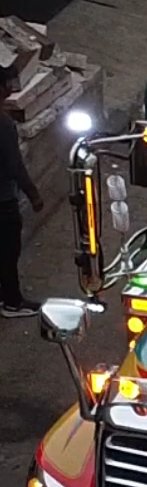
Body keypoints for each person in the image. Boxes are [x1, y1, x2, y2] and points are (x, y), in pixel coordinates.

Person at [0, 72, 44, 319]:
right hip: (3, 200)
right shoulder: (3, 125)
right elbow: (15, 165)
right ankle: (12, 302)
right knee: (8, 251)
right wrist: (34, 194)